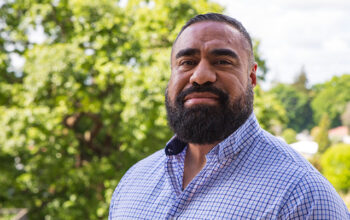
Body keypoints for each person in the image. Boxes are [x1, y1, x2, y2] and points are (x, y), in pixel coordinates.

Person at [109, 13, 350, 219]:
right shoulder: (133, 183)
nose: (200, 76)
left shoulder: (303, 197)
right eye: (187, 62)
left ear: (252, 77)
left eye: (222, 61)